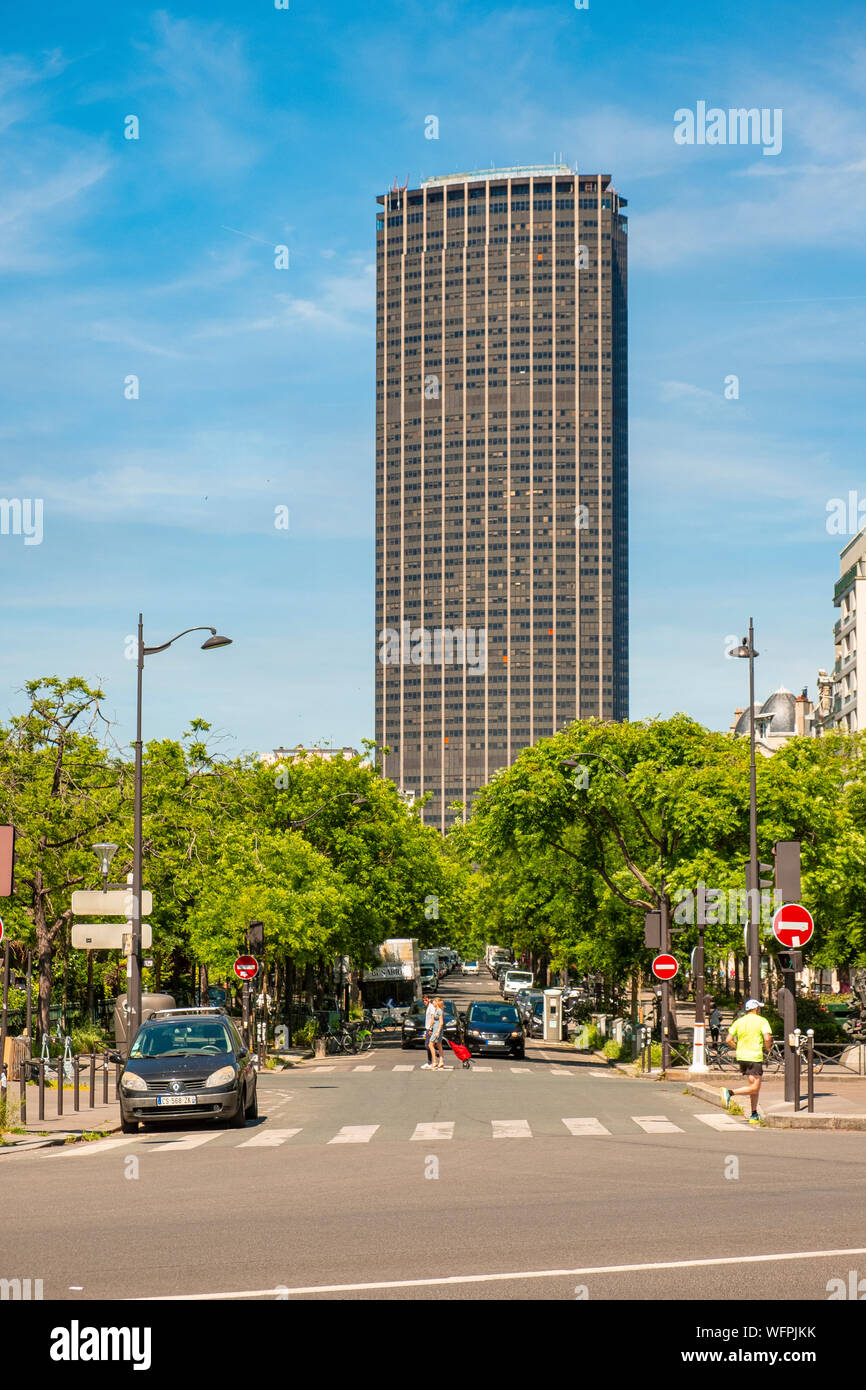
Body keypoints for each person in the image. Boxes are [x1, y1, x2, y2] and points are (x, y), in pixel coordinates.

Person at [721, 998, 772, 1124]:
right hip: (754, 1056)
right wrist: (768, 1047)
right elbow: (767, 1037)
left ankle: (754, 1114)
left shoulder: (739, 1021)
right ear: (756, 1009)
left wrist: (736, 1046)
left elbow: (728, 1039)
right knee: (755, 1087)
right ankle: (730, 1093)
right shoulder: (762, 1021)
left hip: (742, 1056)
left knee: (753, 1086)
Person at [420, 993, 435, 1069]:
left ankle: (434, 1058)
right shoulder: (429, 1007)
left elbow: (432, 1018)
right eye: (423, 1001)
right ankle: (430, 1061)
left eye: (426, 1000)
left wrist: (430, 1028)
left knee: (428, 1045)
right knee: (429, 1045)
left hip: (430, 1029)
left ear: (429, 999)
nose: (424, 1002)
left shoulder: (431, 1007)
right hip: (428, 1028)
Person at [430, 997, 446, 1070]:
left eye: (434, 1002)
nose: (433, 1003)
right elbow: (433, 1021)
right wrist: (431, 1029)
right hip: (435, 1029)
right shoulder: (436, 1010)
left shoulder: (439, 1011)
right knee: (439, 1045)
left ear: (437, 1003)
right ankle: (441, 1061)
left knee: (430, 1044)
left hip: (437, 1030)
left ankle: (435, 1061)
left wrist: (437, 1032)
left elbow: (441, 1022)